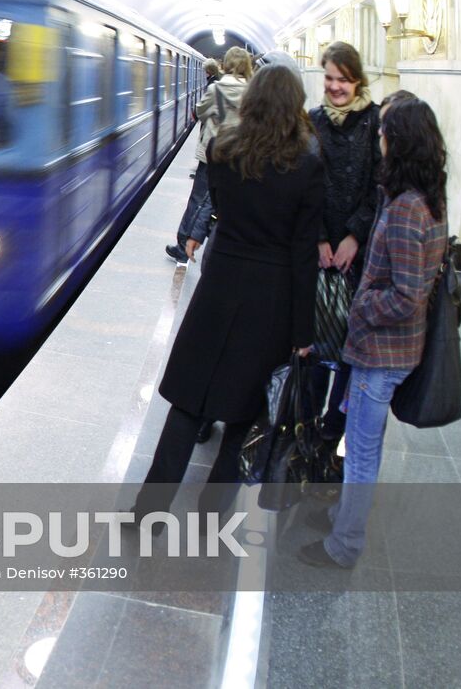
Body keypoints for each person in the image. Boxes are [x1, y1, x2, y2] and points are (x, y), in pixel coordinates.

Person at [133, 65, 322, 519]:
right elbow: (304, 253)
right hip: (271, 298)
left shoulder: (224, 150)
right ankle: (211, 516)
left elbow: (217, 207)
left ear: (252, 100)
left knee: (187, 401)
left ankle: (147, 512)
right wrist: (303, 329)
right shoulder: (308, 165)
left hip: (219, 284)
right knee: (243, 411)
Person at [300, 96, 448, 569]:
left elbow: (407, 295)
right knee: (366, 443)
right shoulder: (429, 200)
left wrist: (360, 307)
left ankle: (344, 545)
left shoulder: (406, 210)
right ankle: (345, 513)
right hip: (391, 350)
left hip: (381, 352)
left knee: (362, 453)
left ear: (399, 143)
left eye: (384, 133)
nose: (378, 141)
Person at [308, 41, 381, 438]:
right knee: (316, 334)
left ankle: (333, 424)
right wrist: (319, 238)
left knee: (350, 337)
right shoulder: (313, 120)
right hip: (317, 250)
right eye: (330, 78)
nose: (335, 87)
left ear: (357, 81)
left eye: (344, 80)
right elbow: (307, 183)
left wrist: (355, 234)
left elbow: (378, 186)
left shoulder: (375, 121)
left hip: (359, 251)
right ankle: (308, 414)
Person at [165, 47, 252, 264]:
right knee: (224, 201)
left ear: (227, 64)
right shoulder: (252, 91)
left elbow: (200, 112)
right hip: (239, 156)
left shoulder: (217, 89)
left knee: (199, 199)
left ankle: (184, 245)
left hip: (213, 153)